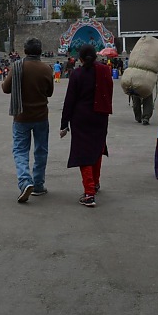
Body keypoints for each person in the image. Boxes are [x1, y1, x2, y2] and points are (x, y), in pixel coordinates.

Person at [2, 37, 54, 203]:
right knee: (41, 151)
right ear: (40, 51)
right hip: (40, 116)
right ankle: (38, 185)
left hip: (21, 115)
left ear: (25, 51)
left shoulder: (17, 67)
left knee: (20, 150)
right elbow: (50, 92)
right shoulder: (46, 69)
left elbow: (5, 88)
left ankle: (25, 181)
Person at [60, 44, 113, 207]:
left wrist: (64, 124)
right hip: (100, 116)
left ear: (80, 59)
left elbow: (70, 100)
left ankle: (89, 193)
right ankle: (95, 183)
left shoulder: (77, 74)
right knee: (97, 149)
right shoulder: (105, 71)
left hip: (81, 118)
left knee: (84, 153)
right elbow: (109, 91)